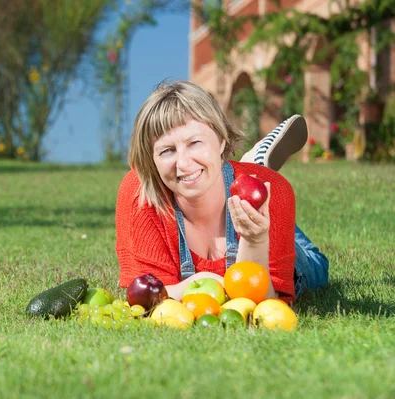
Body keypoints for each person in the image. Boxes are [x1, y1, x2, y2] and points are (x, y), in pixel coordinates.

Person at [115, 80, 328, 304]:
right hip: (234, 186)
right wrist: (203, 282)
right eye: (167, 150)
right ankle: (246, 174)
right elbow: (148, 299)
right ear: (152, 160)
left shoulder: (275, 190)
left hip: (267, 218)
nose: (184, 163)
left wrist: (254, 240)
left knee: (316, 267)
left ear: (222, 139)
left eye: (195, 142)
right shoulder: (140, 195)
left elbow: (263, 303)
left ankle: (253, 175)